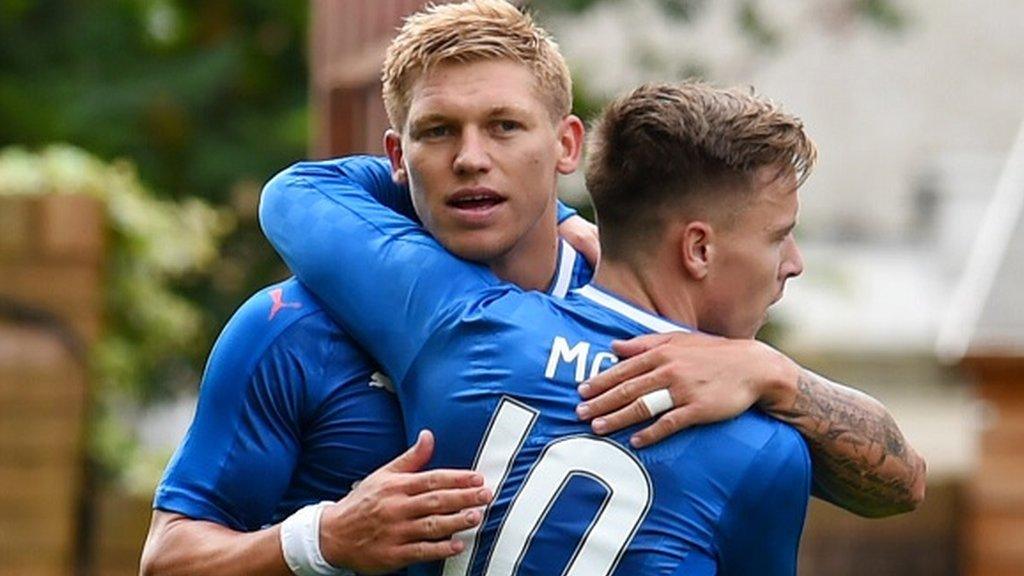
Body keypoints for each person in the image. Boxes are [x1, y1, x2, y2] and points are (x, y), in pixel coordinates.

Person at [144, 1, 923, 575]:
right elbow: (169, 560)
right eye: (437, 132)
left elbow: (892, 483)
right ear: (397, 154)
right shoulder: (292, 327)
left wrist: (771, 371)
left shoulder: (667, 339)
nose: (471, 159)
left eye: (505, 127)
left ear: (567, 143)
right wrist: (319, 541)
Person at [260, 80, 828, 574]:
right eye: (778, 236)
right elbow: (894, 484)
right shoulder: (766, 447)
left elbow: (296, 193)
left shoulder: (465, 321)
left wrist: (552, 210)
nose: (794, 262)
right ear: (697, 248)